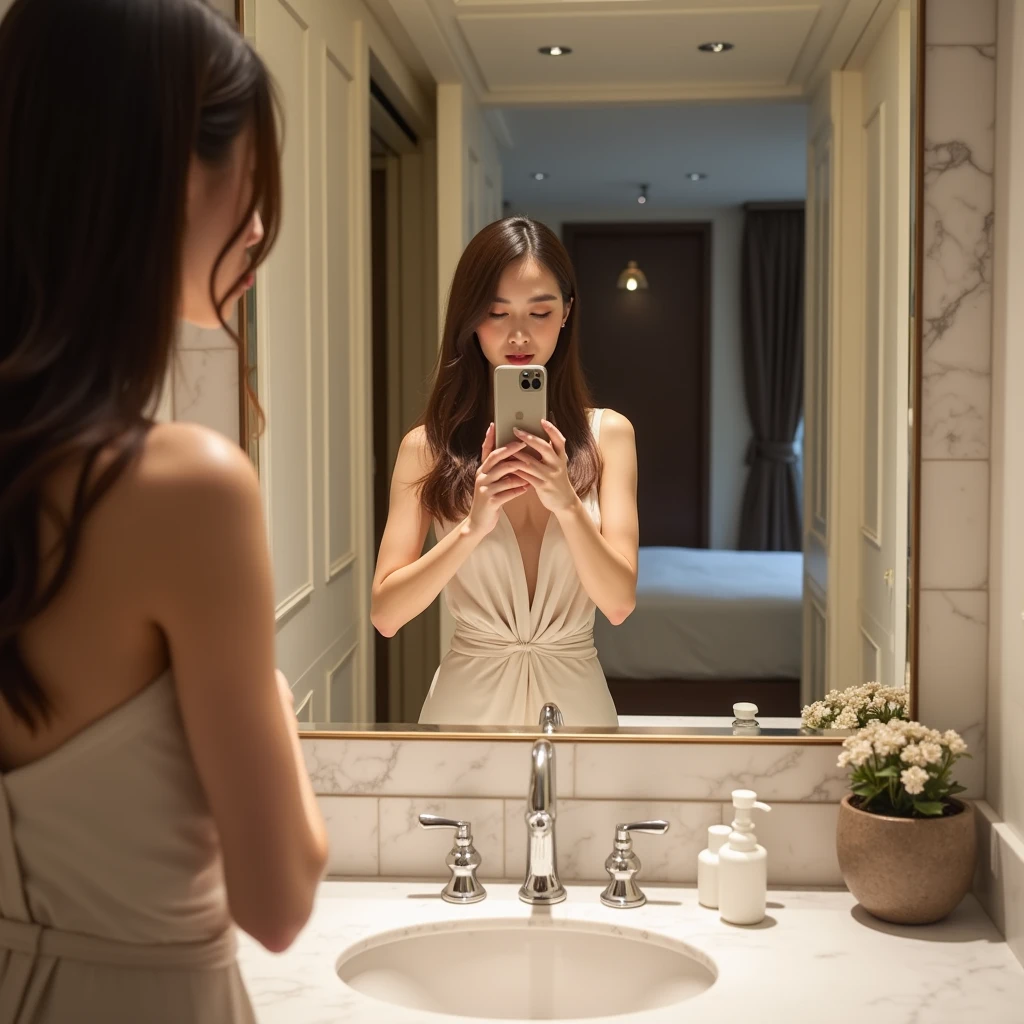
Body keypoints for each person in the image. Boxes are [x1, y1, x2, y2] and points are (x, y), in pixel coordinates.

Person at [0, 1, 327, 1020]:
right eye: (252, 175)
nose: (262, 223)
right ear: (185, 171)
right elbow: (277, 901)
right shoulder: (190, 488)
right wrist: (266, 693)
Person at [371, 217, 639, 727]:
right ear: (470, 320)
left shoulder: (609, 437)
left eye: (540, 312)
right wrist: (472, 528)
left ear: (566, 315)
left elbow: (619, 603)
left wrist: (566, 504)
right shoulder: (427, 448)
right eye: (497, 313)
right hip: (464, 711)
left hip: (577, 709)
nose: (519, 334)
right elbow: (386, 616)